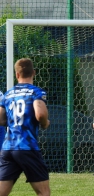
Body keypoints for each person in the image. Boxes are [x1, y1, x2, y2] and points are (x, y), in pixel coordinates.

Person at [0, 58, 50, 196]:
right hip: (27, 147)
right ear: (33, 73)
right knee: (43, 192)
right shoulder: (36, 92)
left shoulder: (8, 94)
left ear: (17, 75)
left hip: (8, 148)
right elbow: (40, 114)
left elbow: (0, 118)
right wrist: (45, 123)